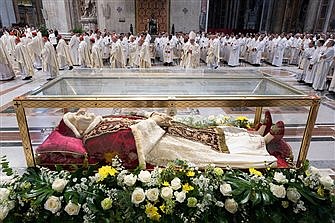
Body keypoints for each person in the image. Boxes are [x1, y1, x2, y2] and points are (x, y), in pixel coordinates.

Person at [57, 110, 285, 169]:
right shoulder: (95, 137)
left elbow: (129, 118)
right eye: (77, 117)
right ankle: (262, 144)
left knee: (207, 133)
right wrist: (153, 123)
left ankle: (254, 135)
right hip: (158, 147)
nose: (83, 114)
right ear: (77, 129)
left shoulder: (100, 120)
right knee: (206, 150)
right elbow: (128, 143)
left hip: (161, 131)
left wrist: (150, 116)